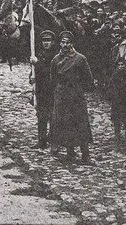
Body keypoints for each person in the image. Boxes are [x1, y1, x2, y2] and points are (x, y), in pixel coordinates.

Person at [48, 31, 94, 165]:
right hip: (62, 94)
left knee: (81, 123)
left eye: (68, 42)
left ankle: (86, 155)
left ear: (72, 43)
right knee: (65, 123)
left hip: (76, 95)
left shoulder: (80, 59)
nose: (65, 45)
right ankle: (70, 152)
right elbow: (53, 78)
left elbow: (88, 78)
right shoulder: (55, 60)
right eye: (63, 42)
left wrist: (79, 88)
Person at [30, 30, 58, 149]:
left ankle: (53, 141)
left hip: (52, 89)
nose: (46, 43)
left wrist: (37, 63)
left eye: (48, 41)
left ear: (52, 42)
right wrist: (31, 77)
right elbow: (34, 71)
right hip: (41, 89)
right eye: (44, 41)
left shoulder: (56, 56)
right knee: (41, 115)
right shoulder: (40, 54)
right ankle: (41, 141)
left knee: (52, 116)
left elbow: (49, 71)